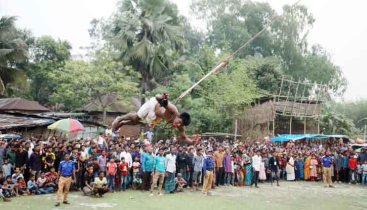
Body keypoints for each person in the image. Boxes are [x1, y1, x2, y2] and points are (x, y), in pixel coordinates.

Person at [111, 93, 197, 145]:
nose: (178, 125)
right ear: (179, 116)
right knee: (136, 117)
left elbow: (184, 137)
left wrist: (192, 142)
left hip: (155, 116)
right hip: (153, 105)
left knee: (137, 122)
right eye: (179, 122)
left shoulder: (180, 125)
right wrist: (163, 98)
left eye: (180, 125)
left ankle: (122, 124)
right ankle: (120, 118)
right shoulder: (172, 110)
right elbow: (160, 99)